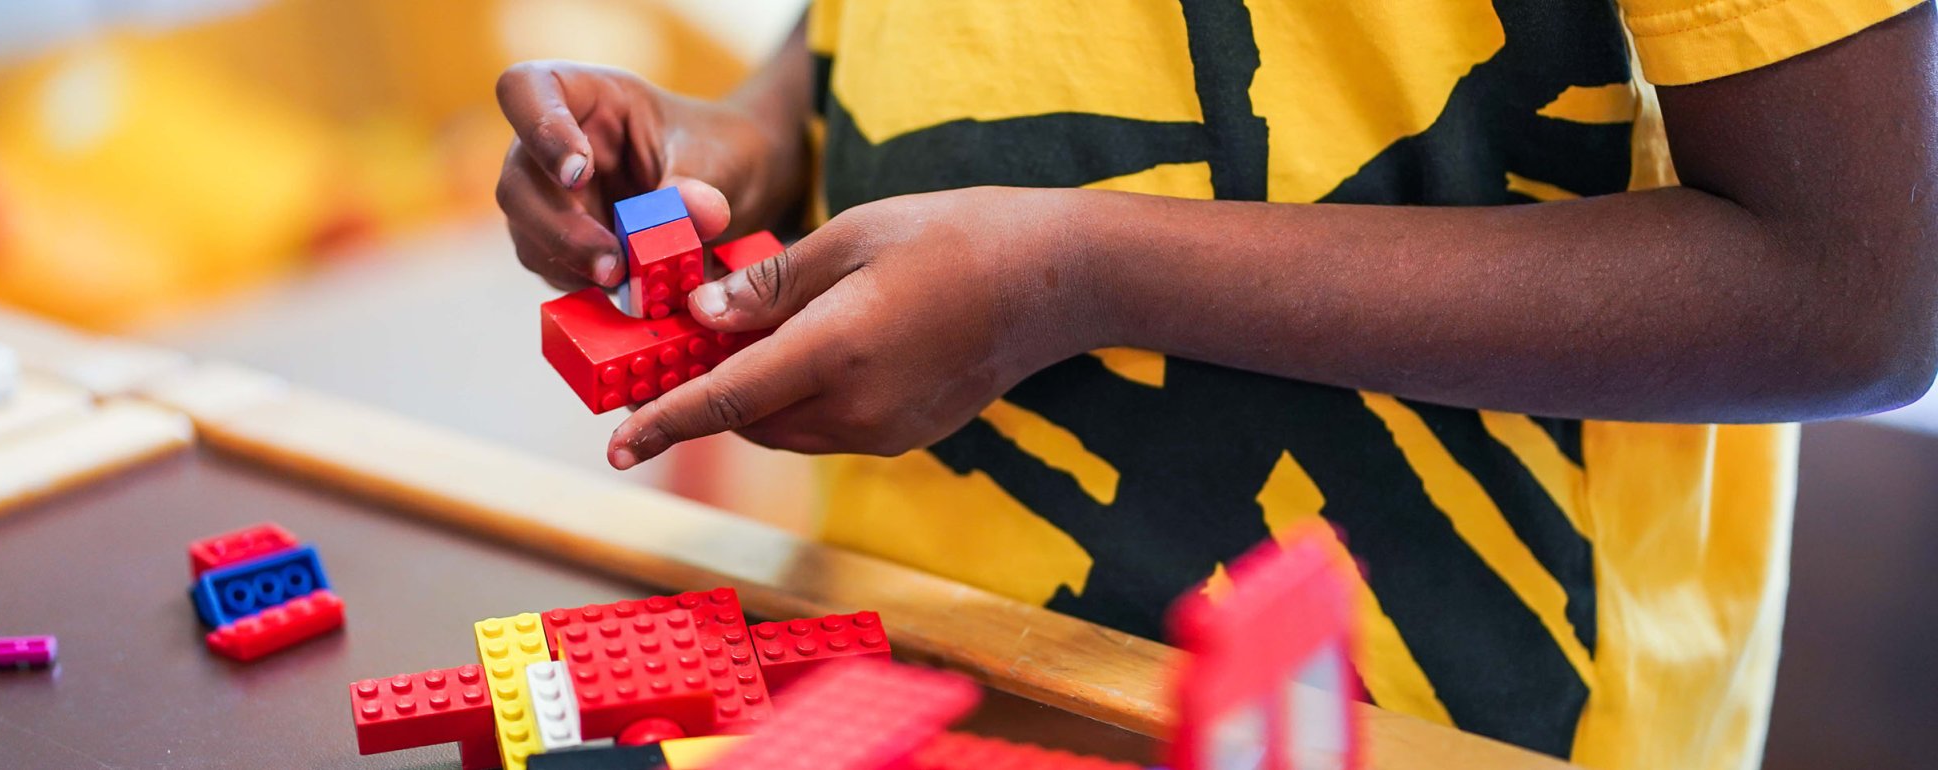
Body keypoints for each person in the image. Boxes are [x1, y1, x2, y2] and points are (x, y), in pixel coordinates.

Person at [494, 1, 1936, 767]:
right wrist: (748, 131)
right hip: (908, 644)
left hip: (1446, 718)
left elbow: (1859, 288)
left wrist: (1076, 276)